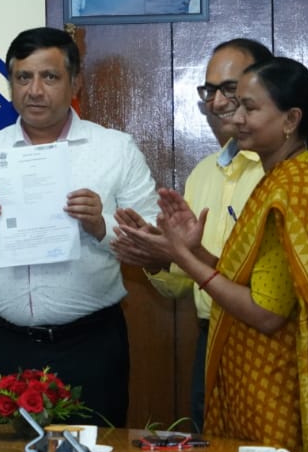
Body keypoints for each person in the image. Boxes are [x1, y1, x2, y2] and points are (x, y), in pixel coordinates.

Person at [150, 56, 308, 452]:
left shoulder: (297, 187)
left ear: (290, 120)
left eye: (250, 108)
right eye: (237, 107)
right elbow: (248, 279)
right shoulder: (277, 179)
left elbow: (267, 313)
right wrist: (194, 249)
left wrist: (184, 260)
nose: (237, 119)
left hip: (276, 387)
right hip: (252, 379)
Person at [0, 27, 158, 427]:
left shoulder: (115, 150)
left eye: (49, 77)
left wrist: (100, 225)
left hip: (90, 345)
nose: (35, 90)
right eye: (23, 77)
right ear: (11, 84)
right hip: (6, 347)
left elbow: (155, 245)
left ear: (76, 82)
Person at [111, 38, 273, 430]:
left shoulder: (287, 174)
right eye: (210, 91)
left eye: (230, 89)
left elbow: (268, 290)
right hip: (210, 338)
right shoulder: (203, 173)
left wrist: (185, 254)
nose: (217, 102)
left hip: (269, 342)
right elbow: (184, 284)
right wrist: (161, 257)